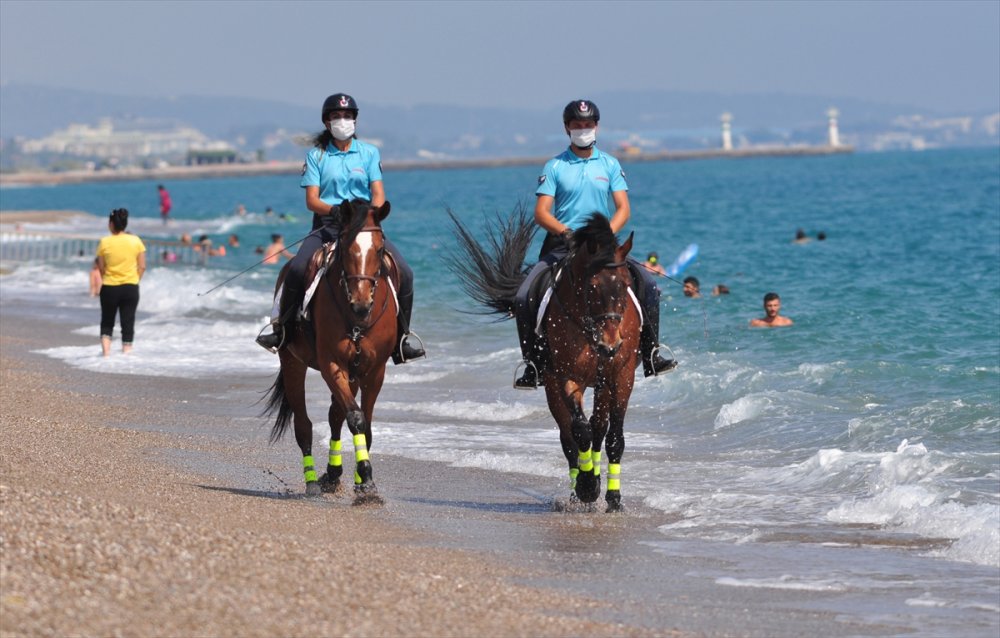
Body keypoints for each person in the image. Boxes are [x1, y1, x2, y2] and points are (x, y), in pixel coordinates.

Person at [513, 99, 675, 388]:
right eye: (577, 125)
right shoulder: (555, 166)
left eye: (587, 125)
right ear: (567, 128)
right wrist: (567, 233)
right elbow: (541, 213)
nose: (583, 129)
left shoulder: (610, 164)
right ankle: (533, 364)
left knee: (648, 285)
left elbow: (623, 208)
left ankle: (652, 353)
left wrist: (603, 237)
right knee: (524, 295)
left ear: (596, 126)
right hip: (564, 245)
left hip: (603, 248)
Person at [255, 93, 425, 364]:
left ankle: (402, 339)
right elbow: (311, 200)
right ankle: (282, 332)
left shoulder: (369, 153)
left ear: (355, 120)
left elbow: (378, 192)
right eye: (337, 116)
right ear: (327, 121)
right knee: (298, 269)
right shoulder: (317, 156)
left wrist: (372, 213)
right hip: (328, 225)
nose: (342, 121)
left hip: (364, 226)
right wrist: (335, 211)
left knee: (405, 271)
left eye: (347, 116)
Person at [96, 208, 146, 356]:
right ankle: (127, 353)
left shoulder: (105, 242)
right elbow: (142, 266)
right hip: (130, 286)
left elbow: (101, 266)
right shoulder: (136, 240)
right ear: (125, 223)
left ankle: (106, 354)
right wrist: (134, 280)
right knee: (128, 321)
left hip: (110, 286)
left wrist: (108, 277)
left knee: (107, 321)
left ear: (111, 224)